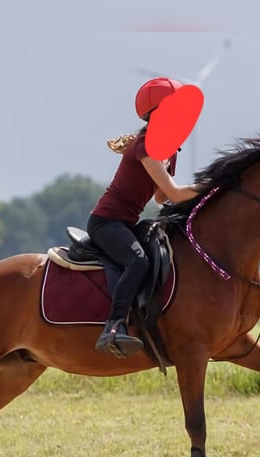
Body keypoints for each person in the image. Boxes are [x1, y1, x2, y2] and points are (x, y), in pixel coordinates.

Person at [88, 77, 201, 358]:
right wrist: (211, 184)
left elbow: (161, 197)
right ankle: (114, 326)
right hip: (106, 222)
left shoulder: (167, 151)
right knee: (137, 261)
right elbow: (173, 192)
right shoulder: (147, 146)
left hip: (125, 223)